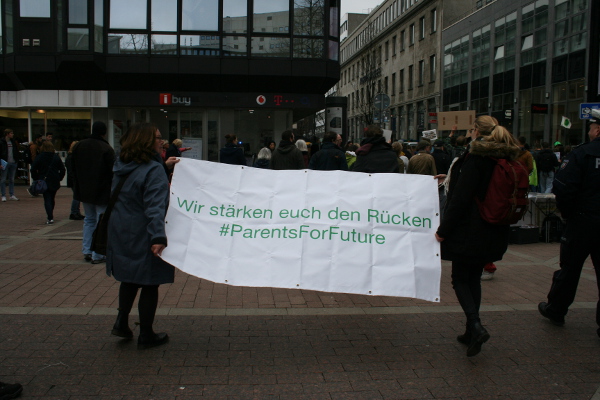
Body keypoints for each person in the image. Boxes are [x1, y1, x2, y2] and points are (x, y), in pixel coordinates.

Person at [435, 116, 520, 357]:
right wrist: (448, 178)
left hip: (470, 228)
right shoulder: (503, 156)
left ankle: (475, 325)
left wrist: (443, 231)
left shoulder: (476, 158)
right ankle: (470, 330)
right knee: (473, 278)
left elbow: (461, 199)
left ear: (475, 131)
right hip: (493, 227)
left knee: (460, 278)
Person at [107, 122, 173, 350]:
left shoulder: (122, 165)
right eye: (158, 137)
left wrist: (163, 165)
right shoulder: (153, 170)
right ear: (145, 141)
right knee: (150, 281)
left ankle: (121, 321)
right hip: (144, 231)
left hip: (121, 230)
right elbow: (155, 206)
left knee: (129, 277)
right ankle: (146, 333)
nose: (162, 141)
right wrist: (158, 237)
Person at [538, 119, 600, 331]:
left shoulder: (583, 153)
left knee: (570, 269)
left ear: (597, 130)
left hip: (582, 221)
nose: (589, 131)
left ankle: (556, 309)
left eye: (591, 128)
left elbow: (563, 186)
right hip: (585, 218)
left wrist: (568, 214)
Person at [71, 121, 115, 264]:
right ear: (104, 132)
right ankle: (98, 253)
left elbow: (72, 167)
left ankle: (87, 250)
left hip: (84, 189)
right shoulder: (106, 148)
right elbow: (111, 171)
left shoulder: (79, 146)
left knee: (89, 220)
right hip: (102, 190)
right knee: (101, 221)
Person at [30, 141, 66, 224]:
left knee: (47, 198)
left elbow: (33, 169)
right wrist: (59, 178)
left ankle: (50, 217)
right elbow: (62, 169)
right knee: (52, 198)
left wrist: (36, 178)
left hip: (43, 180)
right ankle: (50, 214)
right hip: (54, 179)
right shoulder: (55, 157)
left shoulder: (40, 157)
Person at [64, 141, 84, 220]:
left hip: (74, 179)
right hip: (74, 180)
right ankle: (74, 212)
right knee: (76, 196)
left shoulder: (72, 156)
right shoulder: (71, 157)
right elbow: (71, 170)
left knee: (77, 196)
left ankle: (76, 212)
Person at [1, 128, 20, 201]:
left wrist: (16, 160)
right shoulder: (1, 142)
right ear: (7, 134)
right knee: (3, 179)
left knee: (11, 179)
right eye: (11, 133)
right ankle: (3, 195)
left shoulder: (13, 142)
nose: (12, 134)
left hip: (13, 162)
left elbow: (16, 151)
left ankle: (11, 194)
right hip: (5, 162)